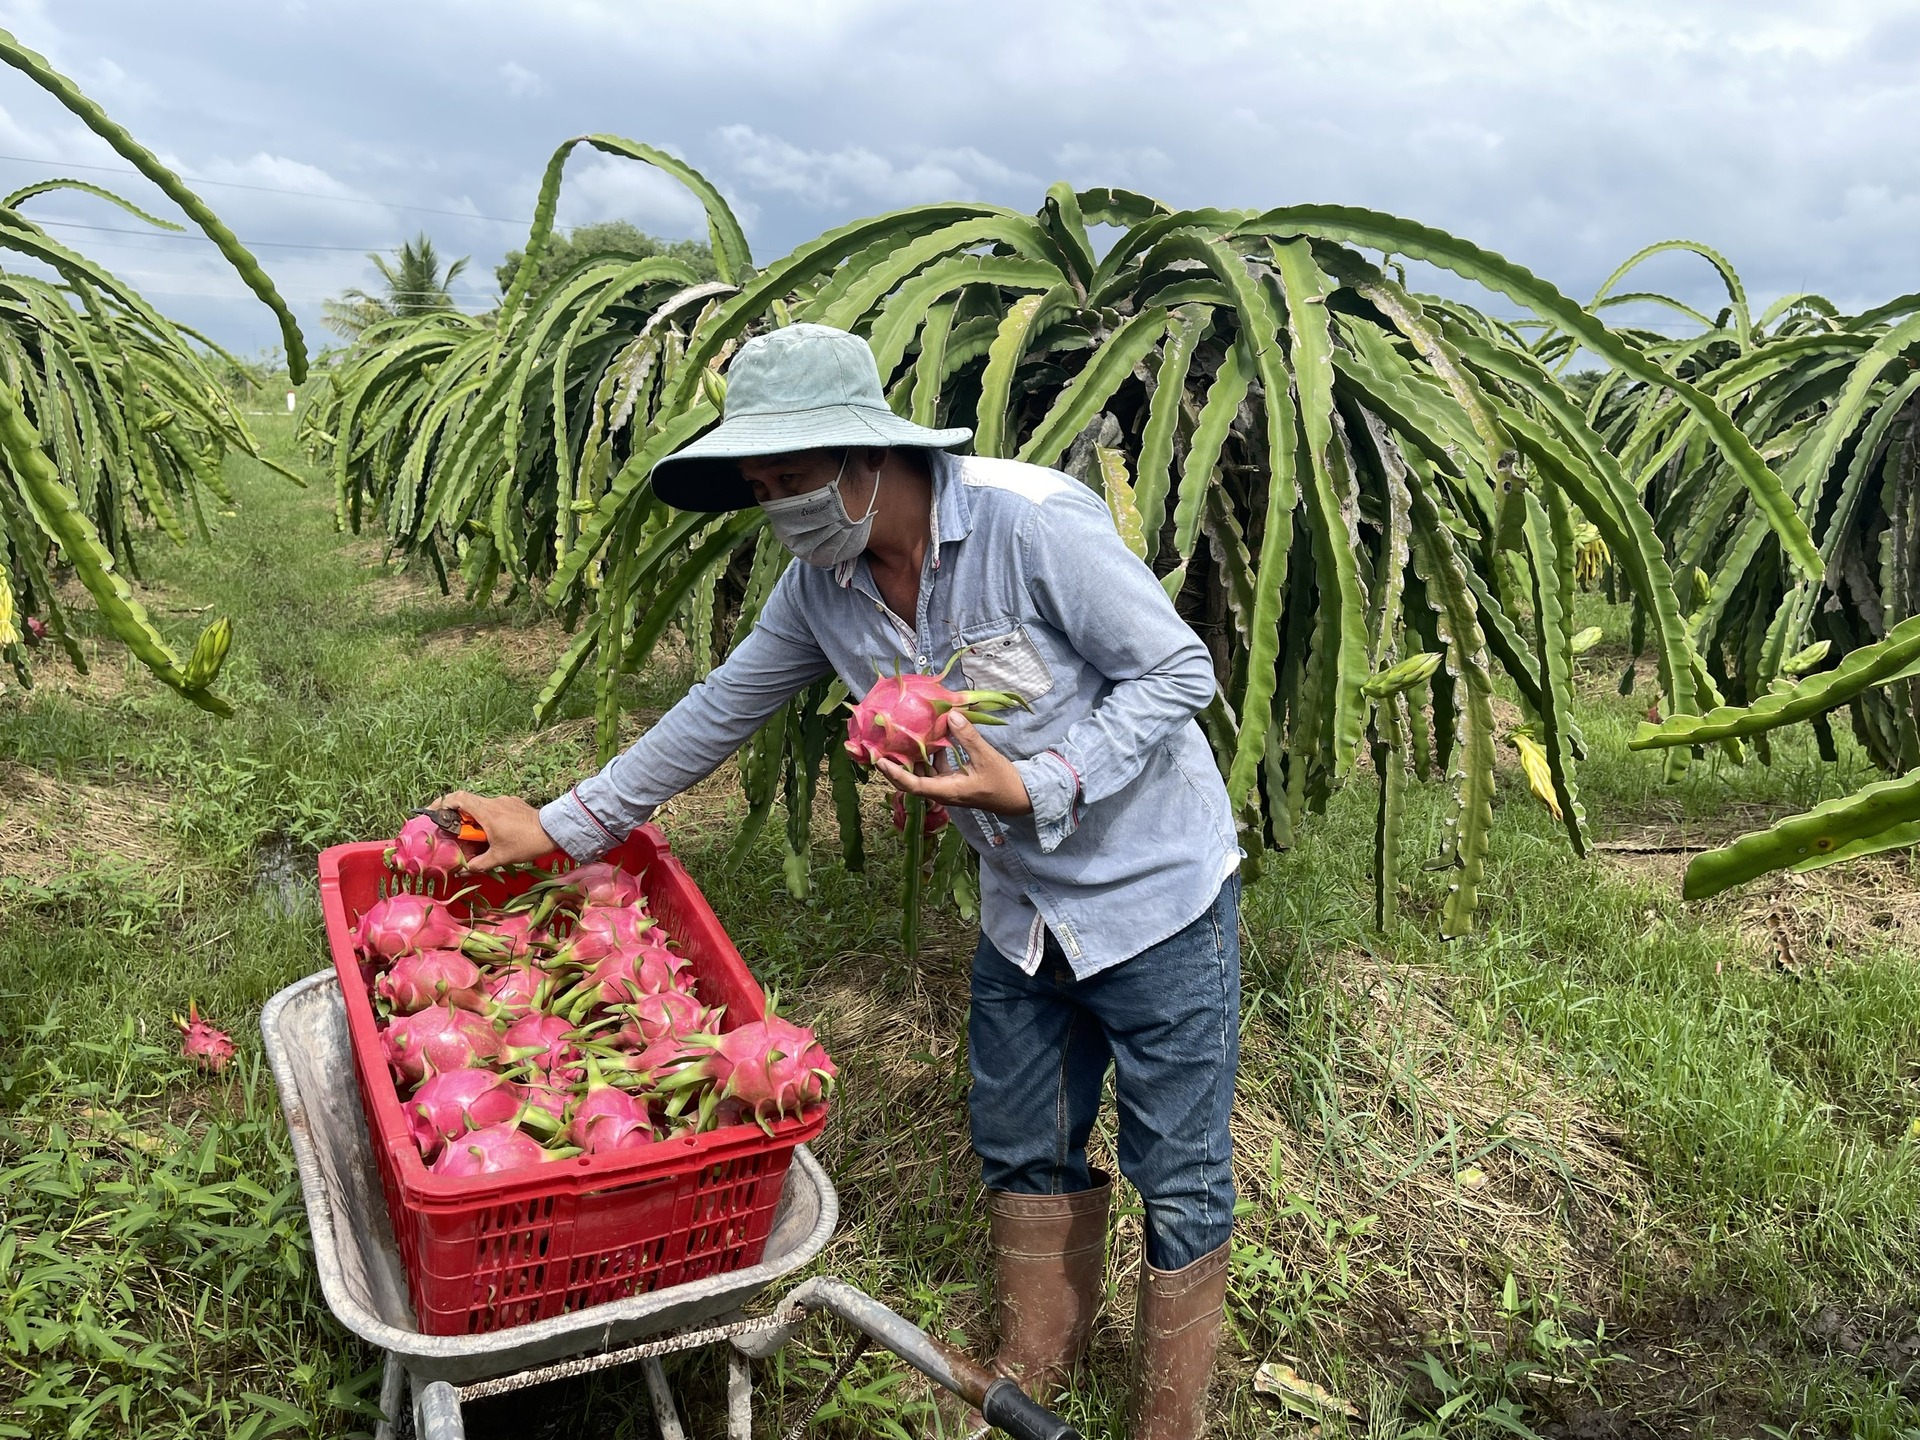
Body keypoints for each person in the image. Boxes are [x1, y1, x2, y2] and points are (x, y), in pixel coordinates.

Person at [441, 323, 1241, 1439]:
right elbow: (721, 706)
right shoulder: (820, 583)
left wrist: (1046, 780)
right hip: (1023, 914)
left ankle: (1170, 1425)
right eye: (759, 488)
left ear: (871, 457)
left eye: (793, 480)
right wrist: (567, 827)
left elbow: (1177, 668)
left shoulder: (1032, 522)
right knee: (1018, 1133)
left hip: (1155, 894)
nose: (780, 510)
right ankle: (1033, 1366)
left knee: (1181, 1164)